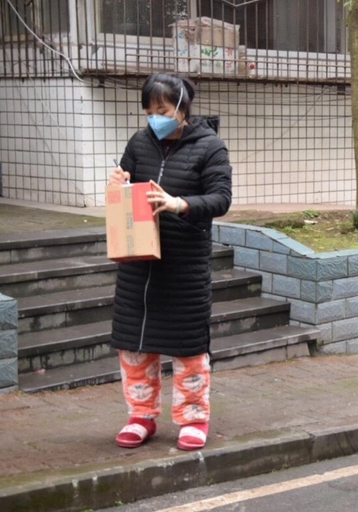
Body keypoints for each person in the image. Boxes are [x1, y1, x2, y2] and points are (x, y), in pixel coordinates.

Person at [108, 73, 232, 451]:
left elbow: (221, 198)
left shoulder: (210, 147)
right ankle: (141, 415)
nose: (154, 118)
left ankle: (193, 418)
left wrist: (180, 204)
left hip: (184, 267)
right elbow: (127, 188)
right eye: (149, 111)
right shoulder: (139, 142)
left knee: (188, 347)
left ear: (182, 108)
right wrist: (117, 184)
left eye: (162, 111)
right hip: (138, 264)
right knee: (135, 345)